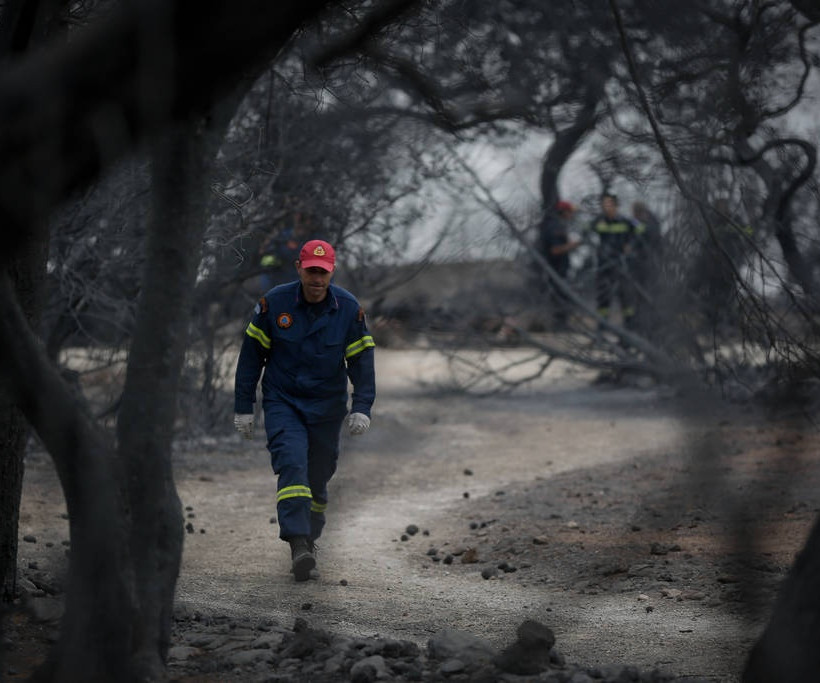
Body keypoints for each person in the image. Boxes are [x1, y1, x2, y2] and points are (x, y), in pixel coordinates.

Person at [233, 239, 376, 582]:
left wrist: (362, 406)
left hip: (327, 407)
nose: (317, 279)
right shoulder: (274, 304)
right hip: (283, 401)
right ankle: (298, 543)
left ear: (332, 272)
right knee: (292, 464)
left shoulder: (348, 309)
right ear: (299, 268)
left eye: (323, 273)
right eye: (311, 271)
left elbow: (361, 361)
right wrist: (243, 407)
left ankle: (310, 538)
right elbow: (251, 358)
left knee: (319, 475)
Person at [590, 192, 637, 328]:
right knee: (603, 296)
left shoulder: (625, 221)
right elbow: (586, 231)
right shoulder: (599, 221)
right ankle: (602, 326)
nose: (606, 206)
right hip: (604, 265)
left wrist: (630, 245)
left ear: (616, 205)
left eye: (609, 204)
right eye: (604, 204)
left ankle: (629, 327)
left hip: (622, 264)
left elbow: (638, 232)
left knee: (625, 296)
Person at [537, 200, 582, 330]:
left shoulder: (558, 226)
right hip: (555, 270)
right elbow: (555, 250)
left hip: (559, 269)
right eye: (570, 212)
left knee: (562, 296)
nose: (572, 215)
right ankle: (559, 325)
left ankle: (561, 324)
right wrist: (573, 245)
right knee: (559, 296)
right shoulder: (555, 227)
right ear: (564, 212)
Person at [629, 201, 663, 332]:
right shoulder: (643, 222)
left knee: (648, 295)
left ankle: (651, 326)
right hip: (641, 264)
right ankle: (640, 325)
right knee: (639, 296)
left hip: (649, 265)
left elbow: (649, 236)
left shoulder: (650, 223)